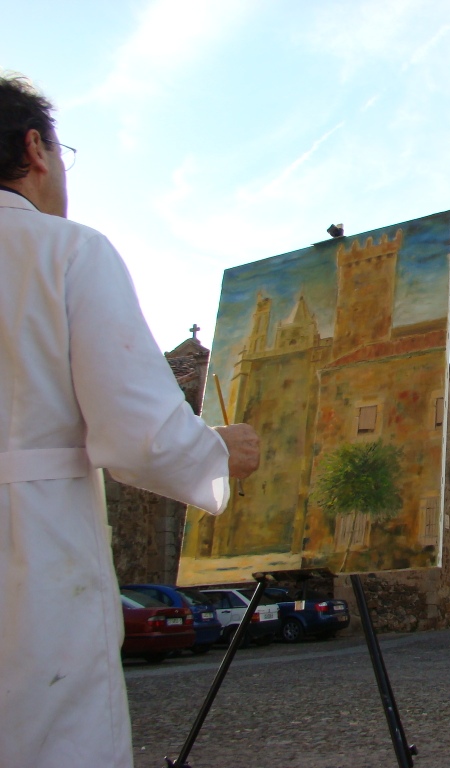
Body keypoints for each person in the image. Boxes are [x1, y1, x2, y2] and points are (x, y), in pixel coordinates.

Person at [0, 74, 260, 768]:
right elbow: (139, 434)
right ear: (35, 149)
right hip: (32, 556)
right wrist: (216, 449)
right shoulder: (64, 251)